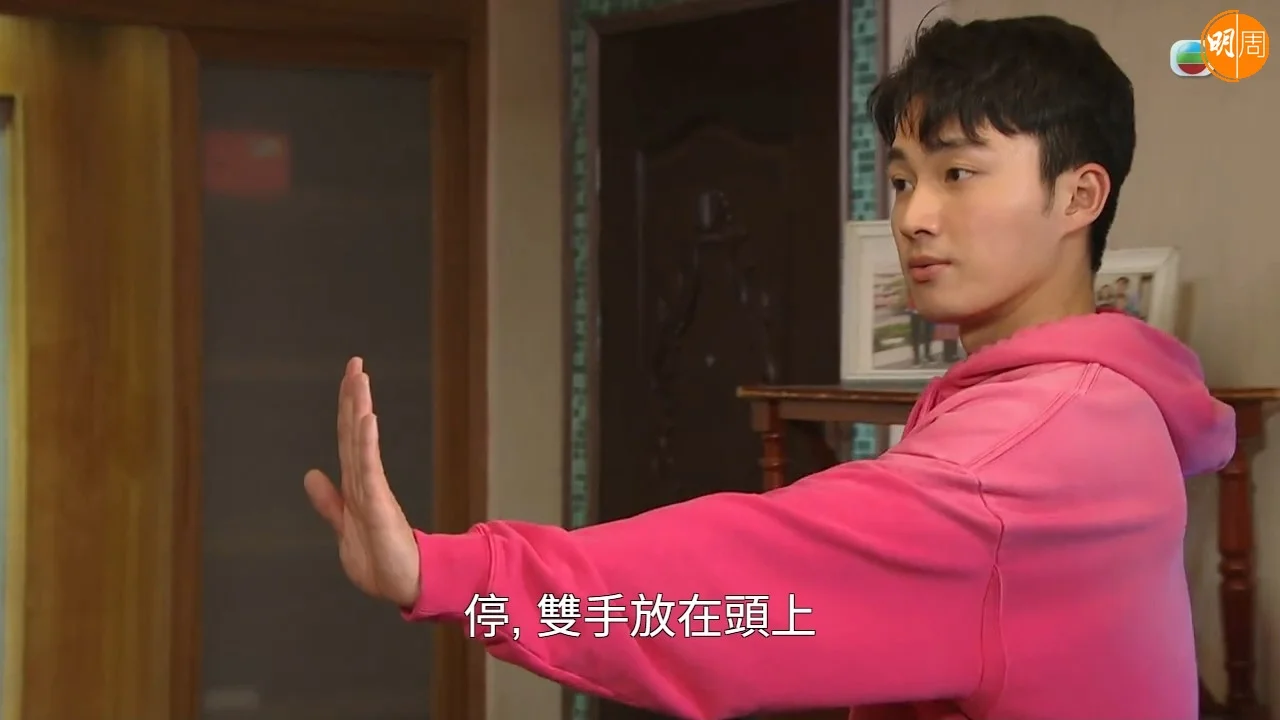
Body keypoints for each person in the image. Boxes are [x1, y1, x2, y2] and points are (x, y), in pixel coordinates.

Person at [303, 16, 1235, 720]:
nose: (913, 216)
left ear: (1079, 195)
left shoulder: (1036, 446)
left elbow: (749, 583)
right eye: (903, 179)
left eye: (958, 174)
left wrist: (453, 573)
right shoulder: (1103, 398)